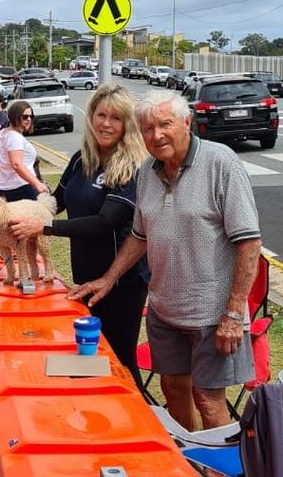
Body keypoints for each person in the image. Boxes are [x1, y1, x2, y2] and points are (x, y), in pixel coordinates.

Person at [68, 90, 262, 430]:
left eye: (165, 124)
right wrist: (108, 278)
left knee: (208, 398)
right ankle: (185, 463)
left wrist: (233, 313)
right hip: (164, 310)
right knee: (172, 389)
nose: (156, 135)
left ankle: (218, 470)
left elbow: (249, 242)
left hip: (211, 314)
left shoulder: (221, 163)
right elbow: (140, 237)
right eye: (147, 128)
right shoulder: (147, 172)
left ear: (187, 122)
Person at [9, 84, 149, 384]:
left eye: (116, 118)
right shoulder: (80, 159)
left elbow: (105, 222)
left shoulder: (132, 167)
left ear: (128, 124)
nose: (106, 124)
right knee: (92, 357)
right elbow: (55, 202)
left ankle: (140, 426)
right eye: (101, 115)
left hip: (121, 282)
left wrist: (44, 227)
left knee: (120, 360)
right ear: (90, 116)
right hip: (85, 277)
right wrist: (15, 214)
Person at [0, 100, 47, 202]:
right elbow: (16, 164)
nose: (28, 120)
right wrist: (37, 183)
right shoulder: (15, 137)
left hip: (4, 188)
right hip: (21, 188)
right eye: (25, 116)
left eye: (31, 116)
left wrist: (1, 168)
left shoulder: (2, 133)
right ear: (15, 117)